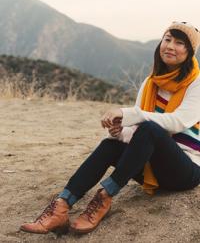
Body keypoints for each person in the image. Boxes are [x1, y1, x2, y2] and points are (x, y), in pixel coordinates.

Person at [20, 21, 200, 235]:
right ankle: (61, 206)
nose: (170, 46)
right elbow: (138, 131)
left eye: (180, 43)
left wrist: (127, 114)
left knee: (151, 129)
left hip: (184, 171)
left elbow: (177, 122)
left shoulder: (196, 83)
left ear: (189, 52)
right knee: (110, 144)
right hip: (152, 165)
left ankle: (104, 198)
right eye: (167, 39)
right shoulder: (150, 83)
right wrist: (121, 132)